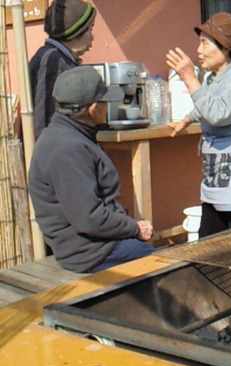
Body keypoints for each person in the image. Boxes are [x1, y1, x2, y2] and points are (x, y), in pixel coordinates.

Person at [28, 66, 156, 273]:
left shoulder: (67, 135)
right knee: (173, 272)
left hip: (96, 245)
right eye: (105, 102)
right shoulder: (67, 149)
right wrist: (135, 228)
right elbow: (89, 218)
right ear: (93, 108)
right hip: (91, 253)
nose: (107, 107)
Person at [165, 12, 231, 238]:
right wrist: (186, 119)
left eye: (205, 43)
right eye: (199, 43)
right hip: (218, 168)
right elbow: (210, 102)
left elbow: (218, 113)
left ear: (224, 48)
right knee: (209, 242)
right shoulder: (215, 77)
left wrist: (188, 77)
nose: (199, 51)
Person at [29, 0, 96, 139]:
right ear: (77, 32)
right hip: (54, 152)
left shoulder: (55, 57)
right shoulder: (53, 61)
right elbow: (43, 117)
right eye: (91, 29)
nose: (93, 37)